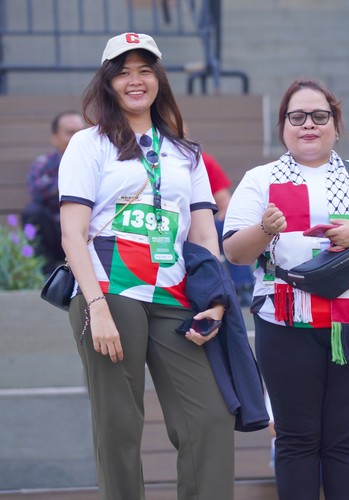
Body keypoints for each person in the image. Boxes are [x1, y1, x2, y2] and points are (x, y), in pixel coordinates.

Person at [58, 32, 241, 500]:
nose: (135, 80)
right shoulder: (88, 144)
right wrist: (95, 306)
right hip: (110, 289)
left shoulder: (186, 153)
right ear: (108, 82)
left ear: (158, 78)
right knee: (119, 425)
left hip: (174, 295)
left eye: (144, 70)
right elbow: (72, 233)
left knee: (210, 417)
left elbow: (204, 236)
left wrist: (216, 299)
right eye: (123, 72)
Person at [222, 77, 349, 499]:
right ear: (283, 127)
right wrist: (263, 230)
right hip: (284, 323)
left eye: (319, 116)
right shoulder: (260, 179)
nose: (308, 124)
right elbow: (233, 251)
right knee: (295, 440)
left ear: (336, 125)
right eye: (297, 117)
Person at [22, 111, 85, 275]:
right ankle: (46, 275)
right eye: (70, 132)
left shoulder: (95, 162)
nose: (76, 137)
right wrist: (70, 178)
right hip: (55, 232)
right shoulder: (44, 163)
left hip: (86, 231)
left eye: (80, 132)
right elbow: (36, 192)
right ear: (55, 138)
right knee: (32, 212)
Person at [202, 151, 255, 306]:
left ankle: (244, 286)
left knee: (230, 230)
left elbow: (225, 204)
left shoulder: (201, 159)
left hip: (200, 226)